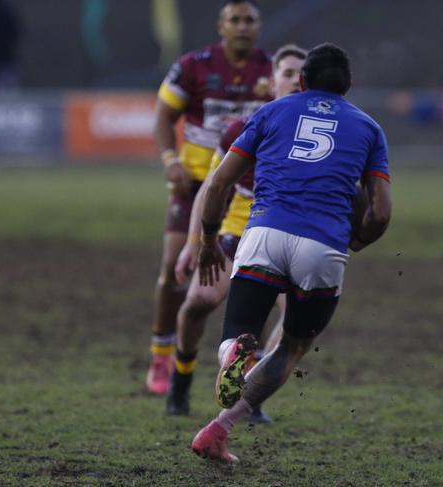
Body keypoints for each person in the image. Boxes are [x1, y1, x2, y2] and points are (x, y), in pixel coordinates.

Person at [189, 43, 392, 462]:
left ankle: (232, 354)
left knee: (236, 335)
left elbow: (218, 184)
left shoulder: (272, 111)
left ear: (301, 80)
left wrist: (208, 242)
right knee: (291, 348)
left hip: (264, 232)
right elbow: (381, 212)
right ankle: (219, 429)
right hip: (323, 247)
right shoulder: (370, 128)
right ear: (348, 85)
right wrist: (357, 242)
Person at [164, 44, 308, 420]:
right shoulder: (244, 129)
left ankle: (251, 392)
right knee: (198, 303)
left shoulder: (319, 138)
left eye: (302, 74)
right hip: (235, 234)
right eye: (287, 73)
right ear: (271, 81)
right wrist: (194, 244)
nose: (295, 80)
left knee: (295, 320)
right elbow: (213, 189)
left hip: (289, 242)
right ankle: (180, 381)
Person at [147, 0, 273, 395]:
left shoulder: (273, 71)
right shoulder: (193, 65)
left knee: (257, 280)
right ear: (221, 25)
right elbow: (163, 117)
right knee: (173, 271)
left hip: (244, 188)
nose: (242, 26)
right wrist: (170, 160)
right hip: (195, 182)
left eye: (249, 20)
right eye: (234, 19)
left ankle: (246, 366)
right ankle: (161, 355)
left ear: (258, 26)